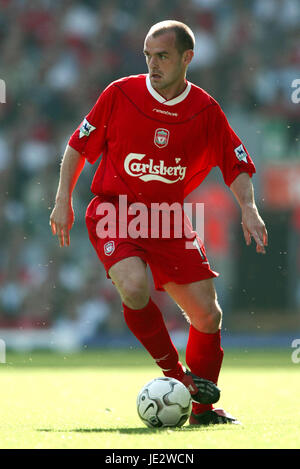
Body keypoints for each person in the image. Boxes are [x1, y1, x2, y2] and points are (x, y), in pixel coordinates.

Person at [50, 20, 268, 426]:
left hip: (167, 219)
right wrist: (63, 198)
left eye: (162, 56)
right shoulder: (120, 94)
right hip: (115, 211)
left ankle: (202, 411)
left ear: (187, 58)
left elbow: (235, 162)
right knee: (134, 286)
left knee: (208, 315)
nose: (152, 64)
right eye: (148, 55)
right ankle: (176, 377)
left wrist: (249, 208)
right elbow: (77, 145)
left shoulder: (205, 109)